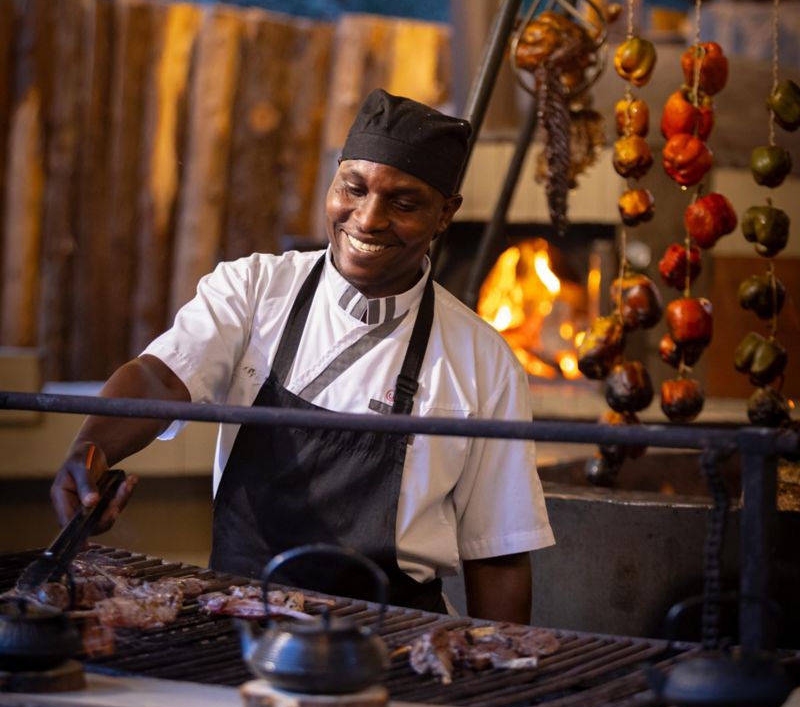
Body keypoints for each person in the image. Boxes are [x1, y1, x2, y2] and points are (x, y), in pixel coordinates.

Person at [51, 88, 554, 622]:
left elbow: (497, 555)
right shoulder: (253, 289)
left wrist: (498, 663)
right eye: (354, 189)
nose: (368, 218)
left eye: (404, 204)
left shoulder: (484, 361)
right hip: (240, 618)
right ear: (333, 181)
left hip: (395, 636)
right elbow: (160, 378)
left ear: (445, 214)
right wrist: (90, 449)